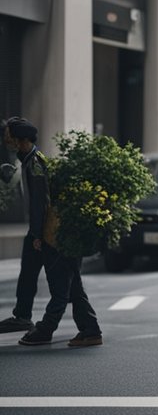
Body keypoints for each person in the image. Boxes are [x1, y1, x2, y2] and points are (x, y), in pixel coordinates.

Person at [3, 118, 103, 347]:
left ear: (21, 140)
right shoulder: (29, 160)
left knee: (61, 287)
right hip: (52, 232)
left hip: (51, 233)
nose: (9, 142)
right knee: (71, 284)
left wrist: (37, 235)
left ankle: (46, 329)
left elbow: (40, 203)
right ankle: (90, 329)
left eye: (11, 138)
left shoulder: (36, 165)